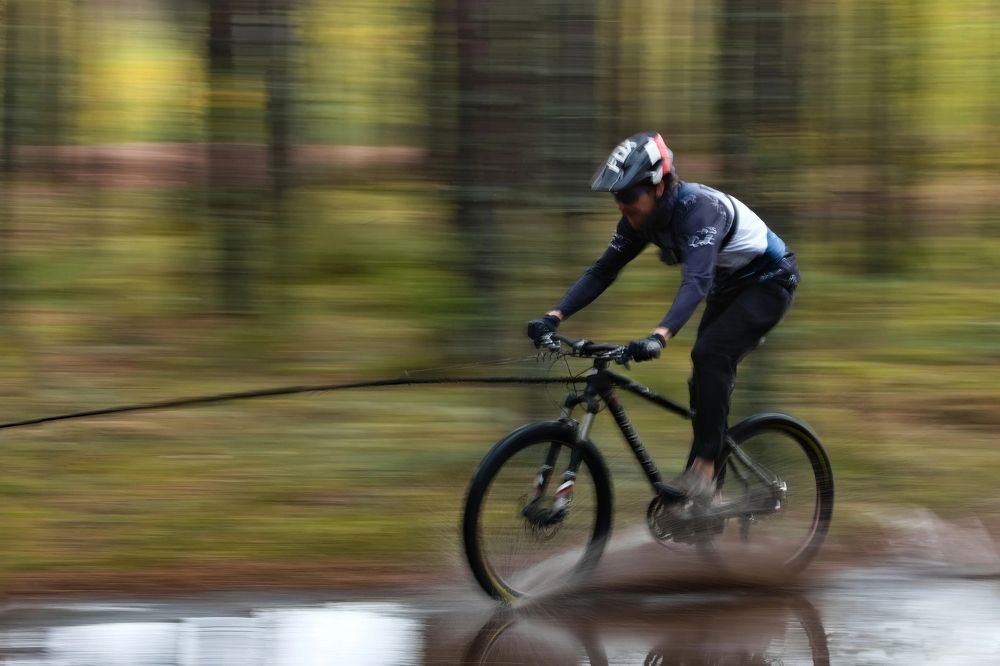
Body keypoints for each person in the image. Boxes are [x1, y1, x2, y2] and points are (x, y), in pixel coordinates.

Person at [526, 132, 800, 503]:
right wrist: (553, 317)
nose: (621, 205)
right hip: (730, 284)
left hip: (770, 281)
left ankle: (704, 474)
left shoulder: (699, 209)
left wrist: (660, 335)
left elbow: (697, 280)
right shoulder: (641, 219)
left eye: (627, 196)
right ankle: (705, 502)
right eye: (615, 197)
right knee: (703, 382)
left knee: (710, 355)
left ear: (657, 187)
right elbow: (603, 271)